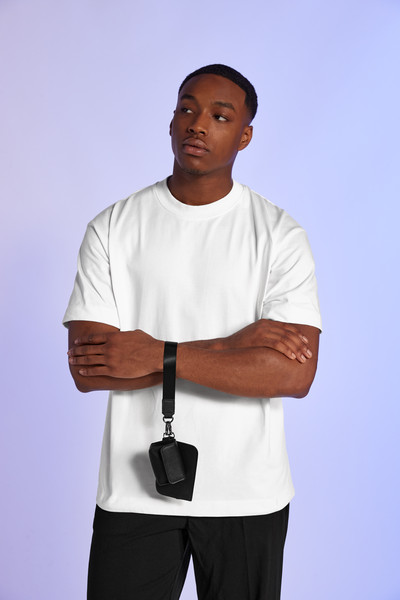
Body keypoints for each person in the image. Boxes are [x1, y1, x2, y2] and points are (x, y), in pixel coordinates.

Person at [64, 64, 322, 600]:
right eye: (187, 108)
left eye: (220, 116)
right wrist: (231, 347)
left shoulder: (279, 234)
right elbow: (89, 369)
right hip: (135, 492)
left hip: (247, 494)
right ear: (171, 121)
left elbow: (293, 376)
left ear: (244, 136)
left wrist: (151, 353)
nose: (197, 124)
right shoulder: (113, 226)